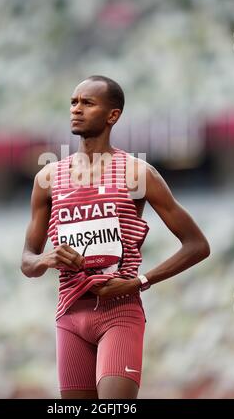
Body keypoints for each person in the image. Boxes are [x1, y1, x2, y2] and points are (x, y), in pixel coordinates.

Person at [21, 75, 210, 399]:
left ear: (113, 115)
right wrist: (45, 259)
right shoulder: (48, 177)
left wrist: (140, 281)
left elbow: (197, 245)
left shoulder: (137, 173)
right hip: (69, 314)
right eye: (73, 102)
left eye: (87, 103)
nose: (76, 109)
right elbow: (27, 261)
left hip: (119, 310)